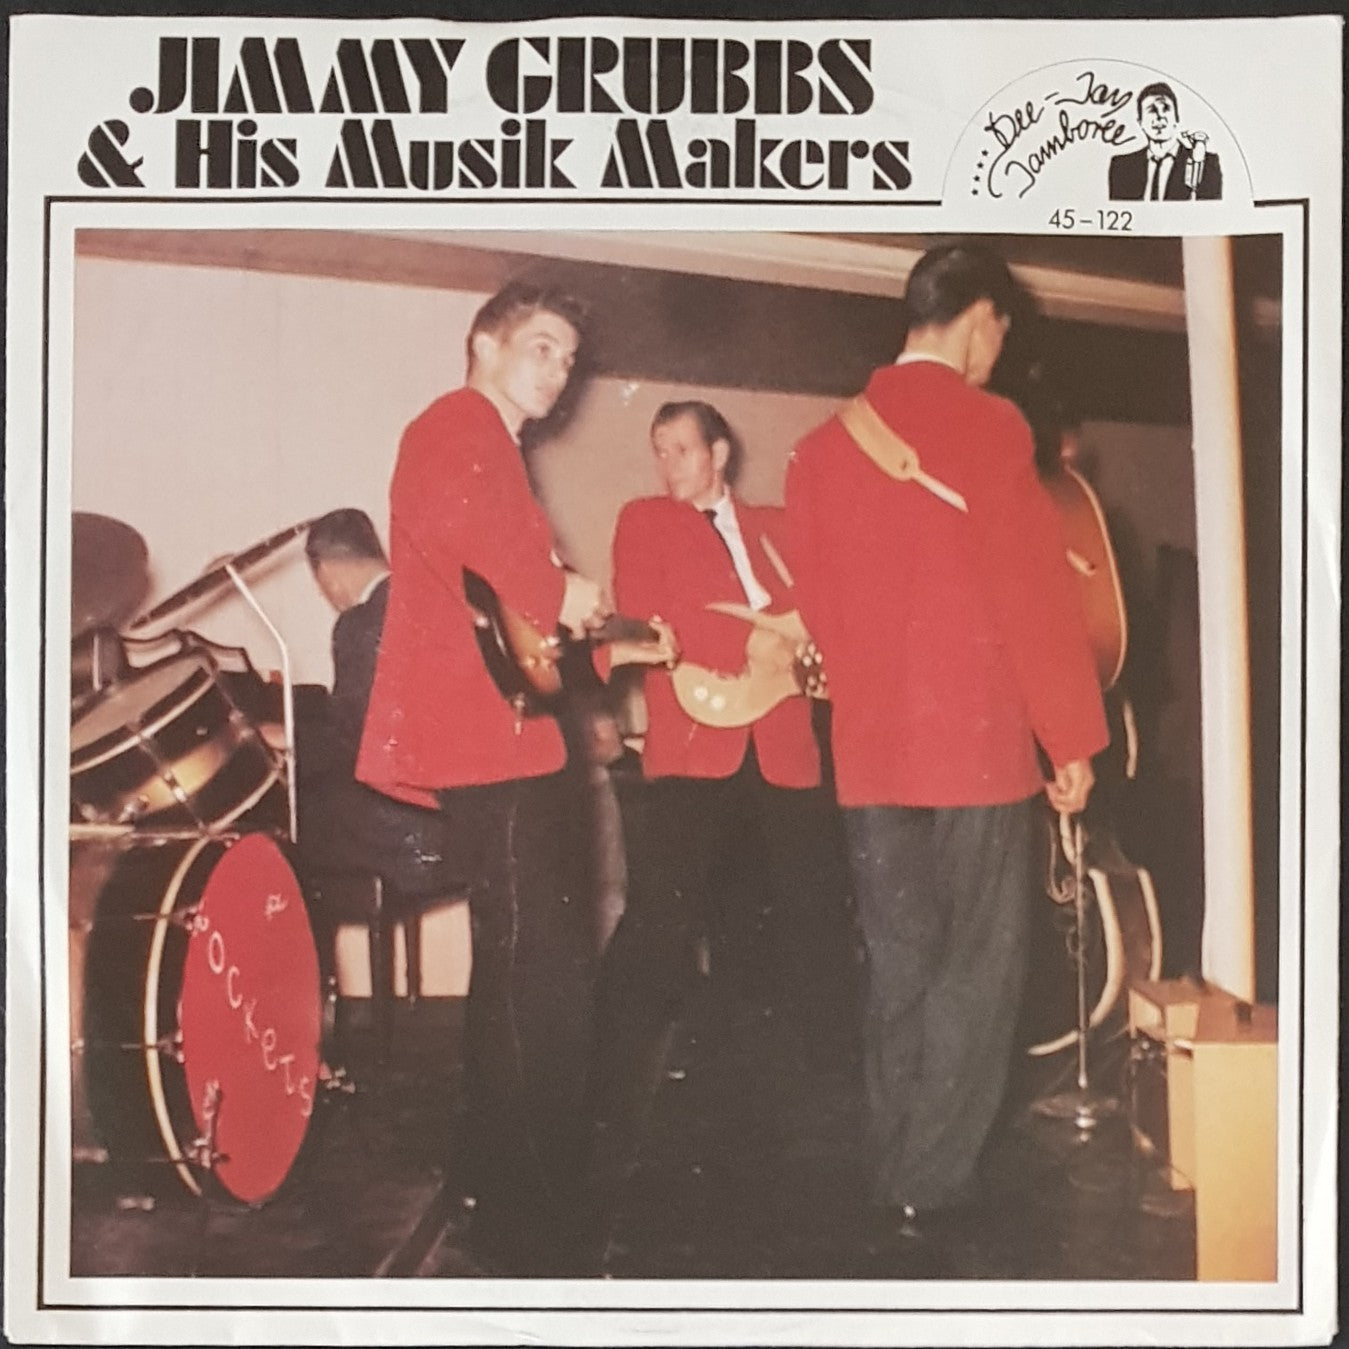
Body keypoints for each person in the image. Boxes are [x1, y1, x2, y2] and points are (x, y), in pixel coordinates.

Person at [784, 243, 1108, 1242]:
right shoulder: (990, 424)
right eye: (998, 331)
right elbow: (1031, 593)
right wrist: (1068, 738)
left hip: (872, 756)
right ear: (978, 317)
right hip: (974, 752)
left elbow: (817, 612)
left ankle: (895, 1162)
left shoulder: (820, 447)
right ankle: (931, 1178)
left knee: (897, 964)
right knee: (976, 966)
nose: (995, 350)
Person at [355, 280, 615, 1276]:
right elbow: (469, 530)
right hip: (492, 742)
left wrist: (573, 622)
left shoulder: (492, 445)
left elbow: (500, 603)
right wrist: (559, 589)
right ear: (484, 342)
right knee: (543, 972)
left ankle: (489, 1178)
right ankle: (528, 1217)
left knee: (519, 965)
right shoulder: (455, 424)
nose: (556, 371)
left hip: (509, 735)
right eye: (541, 346)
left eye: (567, 358)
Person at [584, 399, 856, 1253]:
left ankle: (826, 1100)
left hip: (783, 753)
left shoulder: (778, 526)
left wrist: (803, 648)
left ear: (719, 452)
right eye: (658, 449)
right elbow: (648, 612)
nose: (667, 463)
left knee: (809, 917)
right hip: (696, 747)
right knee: (659, 925)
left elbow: (822, 614)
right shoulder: (644, 519)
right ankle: (598, 1098)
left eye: (681, 448)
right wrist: (741, 637)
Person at [294, 508, 457, 907]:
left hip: (412, 831)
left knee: (288, 826)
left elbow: (354, 738)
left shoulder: (358, 624)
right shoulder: (432, 596)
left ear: (328, 572)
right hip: (458, 813)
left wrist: (290, 740)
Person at [1108, 82, 1222, 201]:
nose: (1160, 116)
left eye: (1166, 109)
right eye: (1152, 110)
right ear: (1140, 122)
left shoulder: (1206, 164)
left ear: (1176, 118)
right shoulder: (1121, 167)